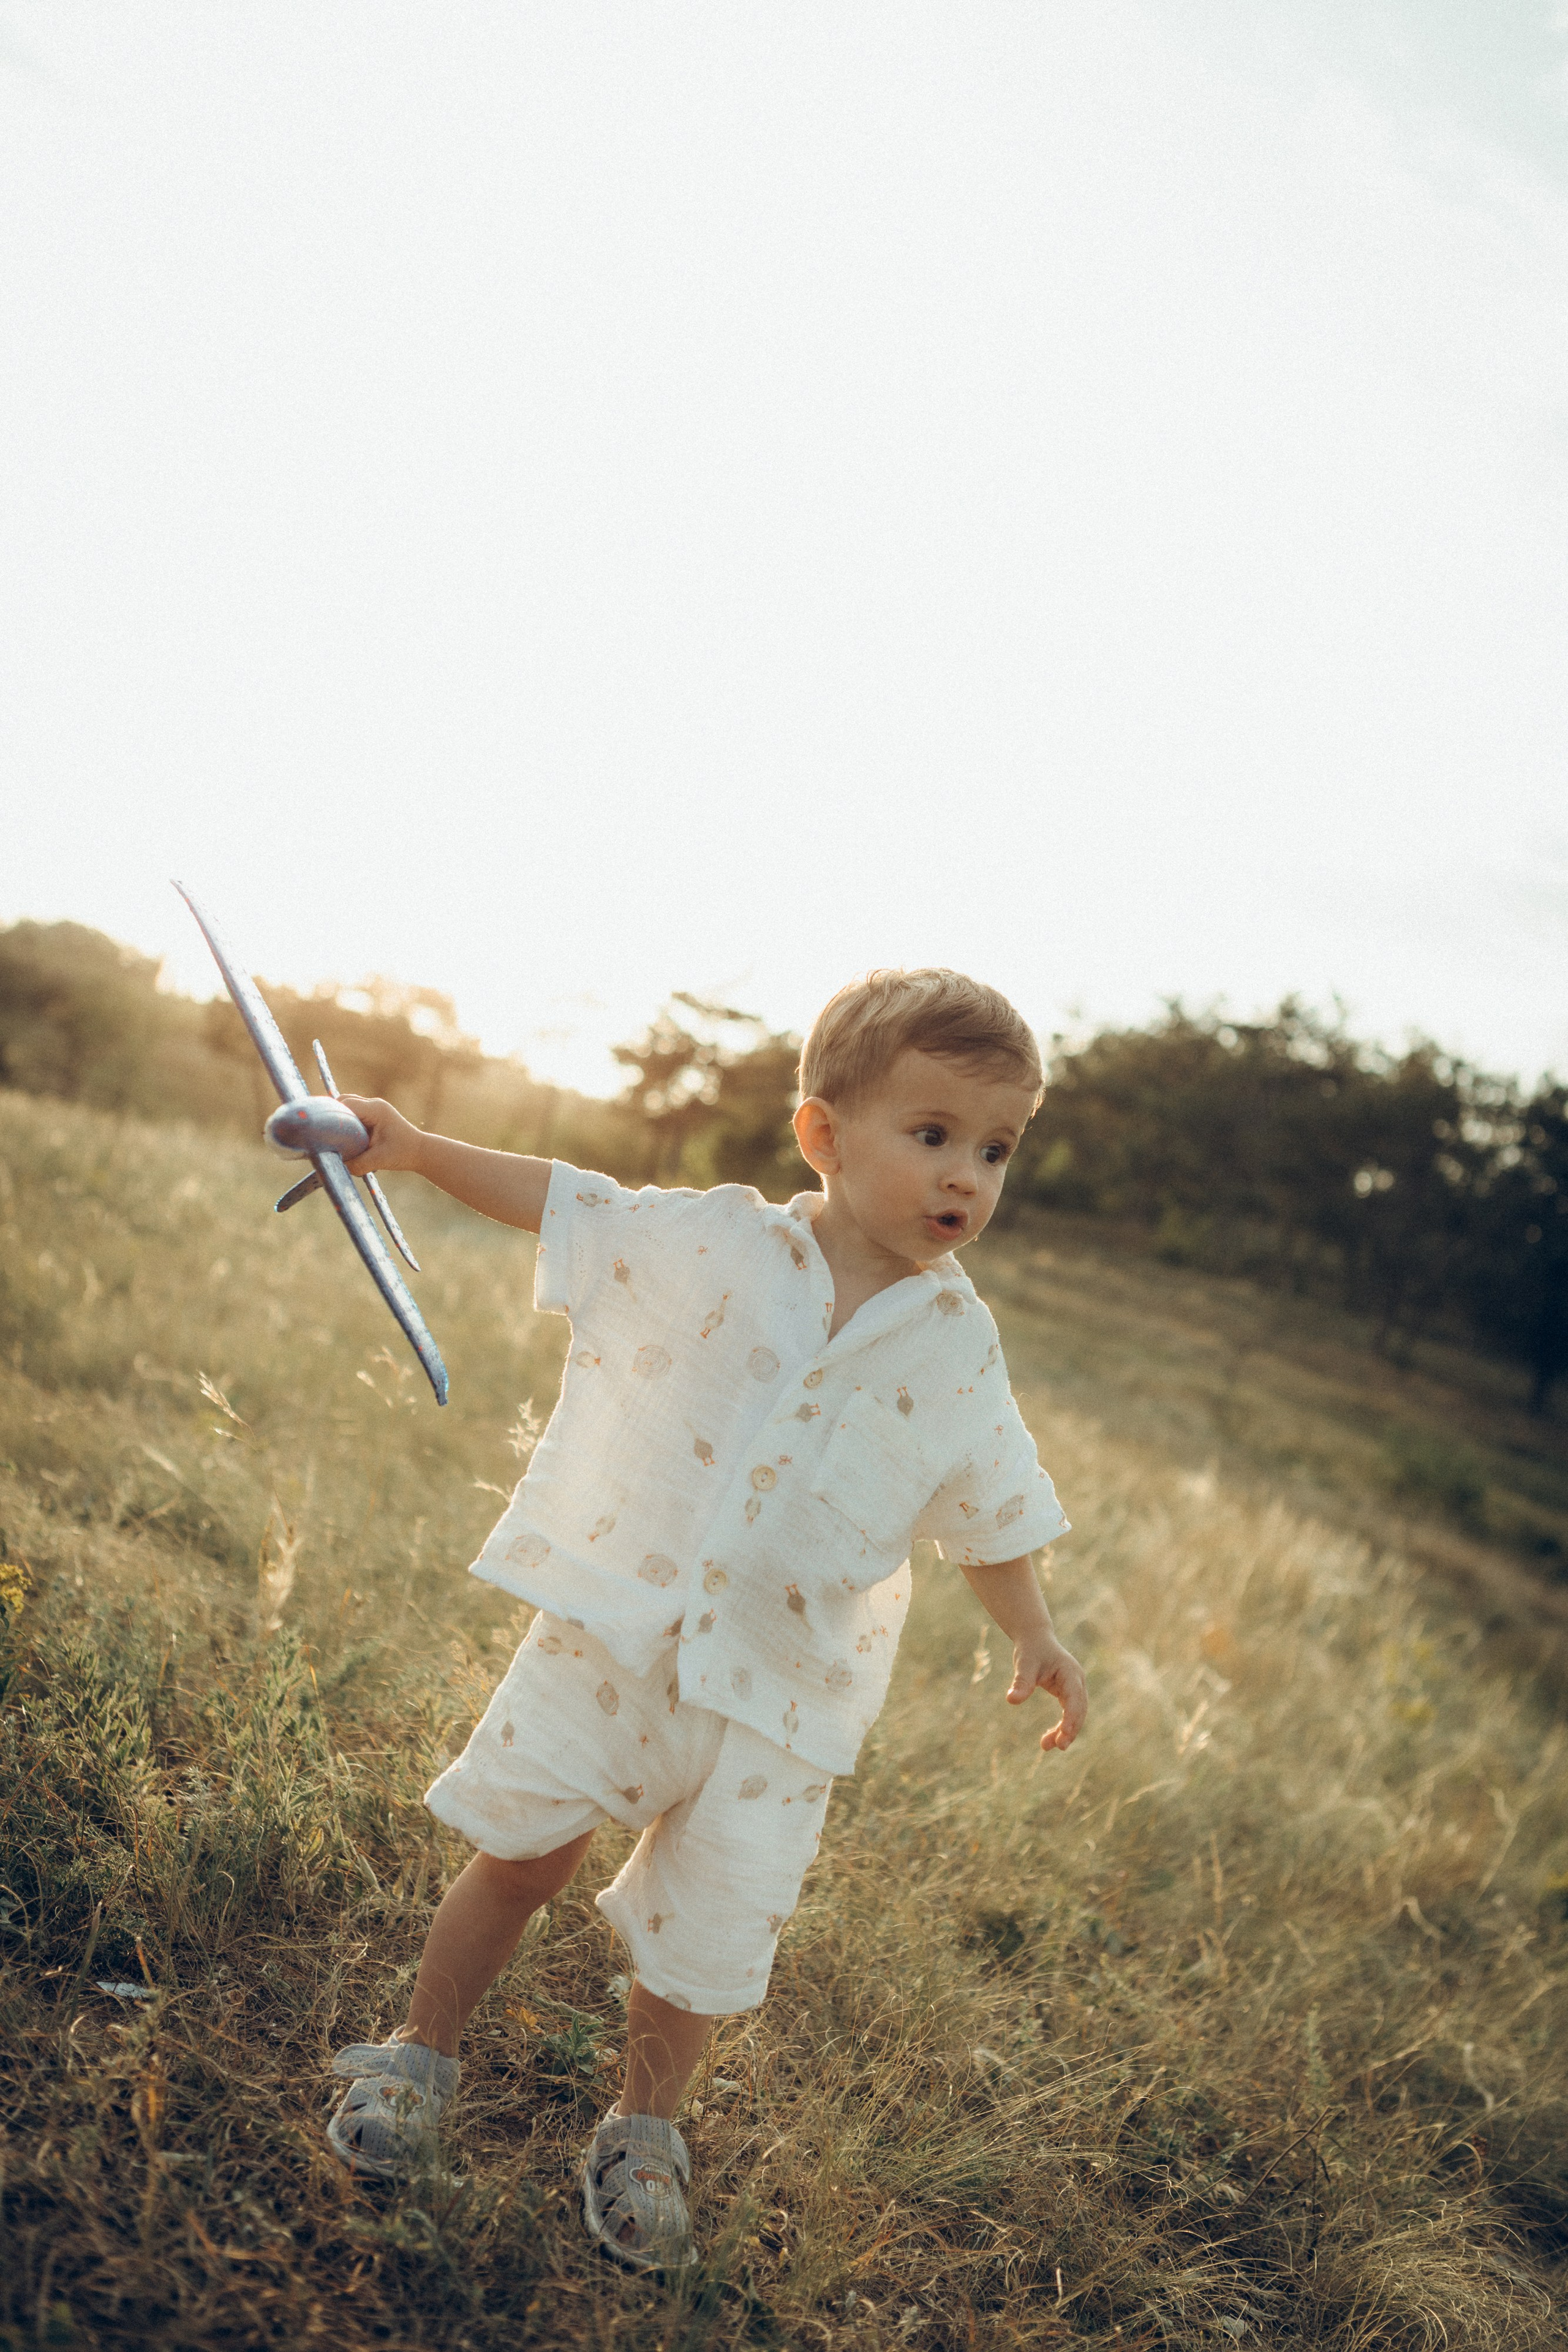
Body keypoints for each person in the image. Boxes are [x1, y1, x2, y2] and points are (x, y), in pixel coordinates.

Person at [322, 968, 1087, 2271]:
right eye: (933, 1135)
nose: (967, 1174)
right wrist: (412, 1146)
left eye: (995, 1150)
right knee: (522, 1855)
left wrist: (1031, 1627)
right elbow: (577, 1206)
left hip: (784, 1696)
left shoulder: (960, 1345)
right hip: (623, 1628)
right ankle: (417, 2053)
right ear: (823, 1136)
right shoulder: (722, 1242)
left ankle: (642, 2128)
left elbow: (988, 1496)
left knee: (705, 1936)